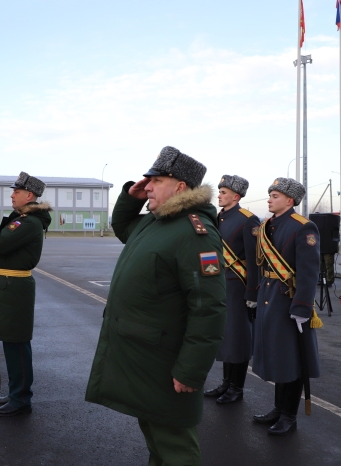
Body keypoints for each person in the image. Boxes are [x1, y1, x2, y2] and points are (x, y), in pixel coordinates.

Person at [85, 146, 227, 466]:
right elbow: (123, 227)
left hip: (165, 362)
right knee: (156, 439)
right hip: (143, 356)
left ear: (180, 187)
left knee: (175, 446)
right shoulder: (157, 222)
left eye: (156, 180)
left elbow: (209, 307)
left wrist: (191, 370)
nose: (147, 185)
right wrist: (133, 197)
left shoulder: (194, 233)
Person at [0, 172, 52, 417]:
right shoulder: (22, 219)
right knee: (11, 344)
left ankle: (20, 398)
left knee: (17, 345)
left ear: (28, 195)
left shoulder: (28, 223)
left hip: (13, 289)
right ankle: (15, 393)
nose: (12, 195)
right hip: (7, 286)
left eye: (16, 192)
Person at [252, 177, 320, 436]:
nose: (269, 199)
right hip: (268, 297)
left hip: (288, 301)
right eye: (270, 195)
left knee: (292, 359)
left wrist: (302, 307)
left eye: (275, 196)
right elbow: (262, 266)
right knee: (279, 357)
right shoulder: (267, 226)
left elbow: (308, 271)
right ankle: (278, 408)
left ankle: (289, 415)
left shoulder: (304, 227)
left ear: (289, 201)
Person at [204, 175, 259, 404]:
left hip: (238, 286)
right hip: (220, 285)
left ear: (236, 196)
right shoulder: (219, 218)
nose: (219, 195)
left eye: (224, 192)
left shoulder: (248, 221)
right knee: (225, 337)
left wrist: (252, 293)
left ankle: (237, 387)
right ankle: (226, 384)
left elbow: (255, 261)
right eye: (220, 191)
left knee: (238, 338)